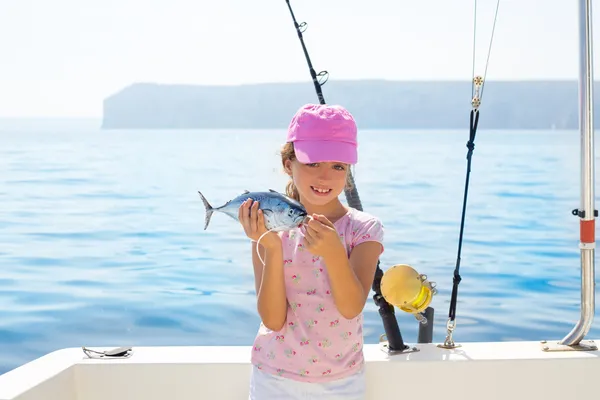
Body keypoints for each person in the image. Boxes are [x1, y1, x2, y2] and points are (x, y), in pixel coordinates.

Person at [238, 103, 385, 399]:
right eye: (313, 163)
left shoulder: (364, 229)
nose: (325, 177)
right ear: (288, 164)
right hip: (273, 380)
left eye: (338, 166)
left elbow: (351, 307)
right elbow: (272, 319)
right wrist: (269, 245)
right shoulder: (269, 228)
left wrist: (333, 252)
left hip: (342, 384)